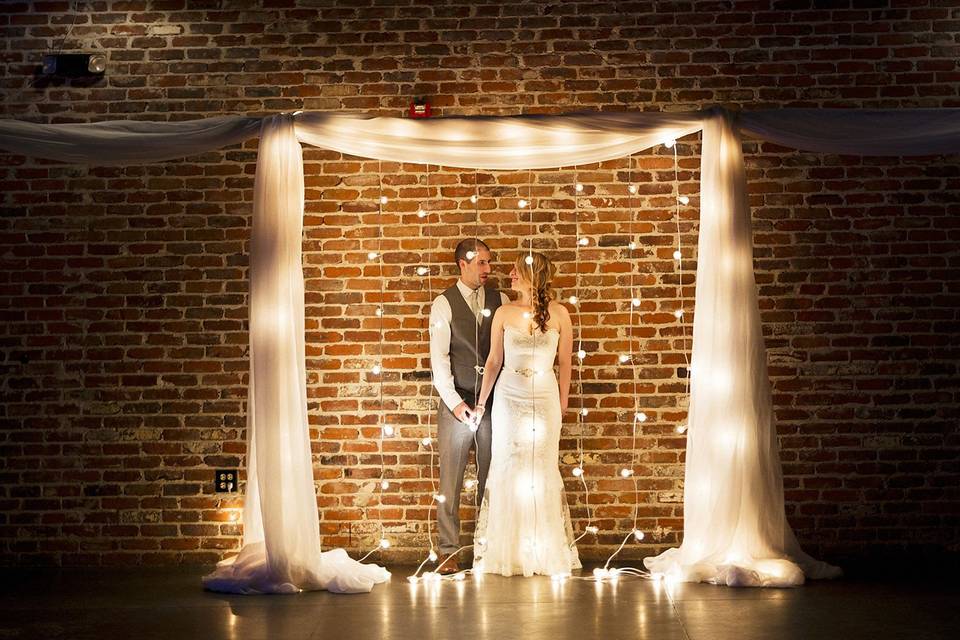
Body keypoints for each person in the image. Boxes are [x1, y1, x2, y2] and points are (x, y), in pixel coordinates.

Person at [469, 252, 581, 577]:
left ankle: (543, 550)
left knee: (541, 468)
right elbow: (493, 361)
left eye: (517, 271)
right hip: (508, 395)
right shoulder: (504, 312)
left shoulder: (560, 314)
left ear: (535, 276)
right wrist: (481, 402)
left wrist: (562, 403)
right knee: (508, 465)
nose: (511, 275)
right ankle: (508, 551)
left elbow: (565, 363)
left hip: (544, 395)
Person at [429, 238, 509, 575]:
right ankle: (448, 550)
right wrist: (456, 404)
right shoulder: (443, 304)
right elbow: (439, 360)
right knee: (451, 479)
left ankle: (485, 548)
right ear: (463, 263)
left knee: (492, 476)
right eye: (482, 263)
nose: (488, 269)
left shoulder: (502, 301)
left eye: (490, 262)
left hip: (494, 401)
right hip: (457, 401)